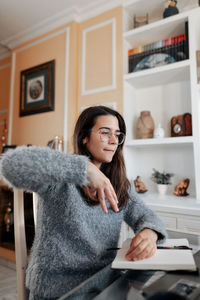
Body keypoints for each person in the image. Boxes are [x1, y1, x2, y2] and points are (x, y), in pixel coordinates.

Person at [0, 106, 167, 300]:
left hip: (106, 284)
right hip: (58, 290)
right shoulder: (60, 177)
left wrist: (150, 233)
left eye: (118, 135)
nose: (114, 141)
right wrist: (85, 168)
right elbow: (10, 165)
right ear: (84, 137)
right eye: (105, 133)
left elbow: (148, 216)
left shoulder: (119, 184)